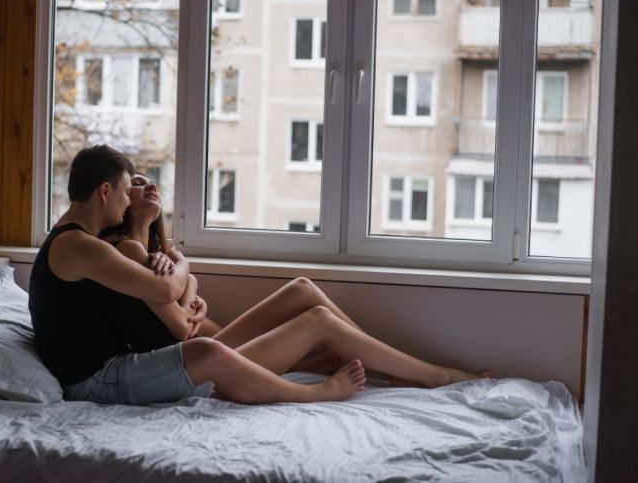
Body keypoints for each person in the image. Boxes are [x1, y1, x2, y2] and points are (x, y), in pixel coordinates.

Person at [28, 145, 486, 407]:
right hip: (96, 381)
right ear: (105, 191)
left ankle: (405, 371)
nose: (131, 202)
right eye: (128, 192)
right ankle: (409, 380)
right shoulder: (75, 245)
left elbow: (169, 296)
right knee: (222, 343)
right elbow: (167, 288)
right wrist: (182, 268)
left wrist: (183, 279)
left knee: (302, 291)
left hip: (136, 356)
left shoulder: (94, 242)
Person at [100, 171, 493, 386]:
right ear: (118, 201)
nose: (147, 184)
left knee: (303, 288)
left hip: (208, 349)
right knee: (318, 321)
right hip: (192, 369)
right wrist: (191, 294)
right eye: (134, 183)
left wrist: (189, 287)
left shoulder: (157, 257)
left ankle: (389, 368)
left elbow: (193, 319)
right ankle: (434, 375)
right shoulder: (126, 250)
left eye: (149, 179)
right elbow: (182, 327)